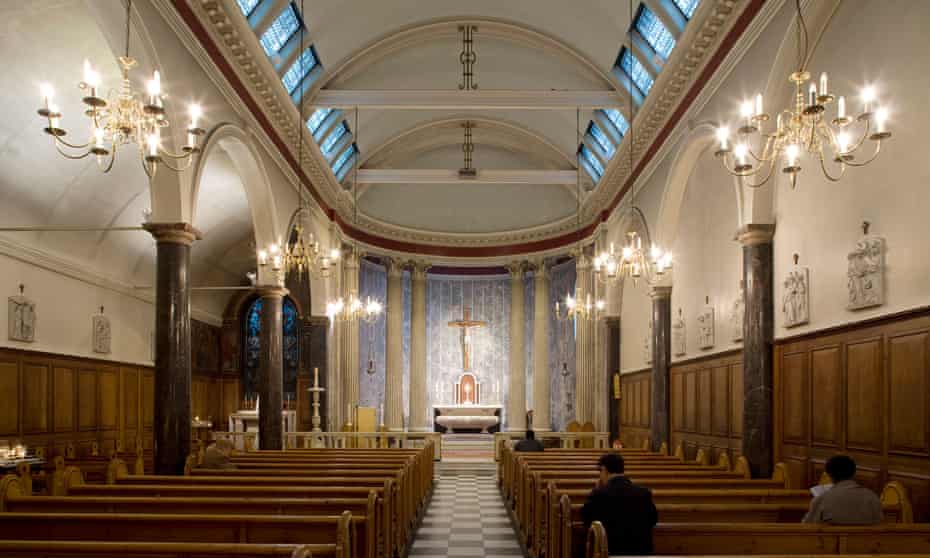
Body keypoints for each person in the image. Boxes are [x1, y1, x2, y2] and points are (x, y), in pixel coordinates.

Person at [581, 453, 657, 555]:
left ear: (604, 469)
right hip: (641, 553)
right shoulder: (643, 493)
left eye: (600, 471)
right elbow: (653, 519)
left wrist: (596, 490)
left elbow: (586, 518)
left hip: (610, 553)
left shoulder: (599, 494)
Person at [803, 454, 882, 524]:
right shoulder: (872, 497)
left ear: (830, 475)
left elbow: (807, 527)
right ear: (853, 473)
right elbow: (879, 523)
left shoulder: (821, 500)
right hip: (866, 540)